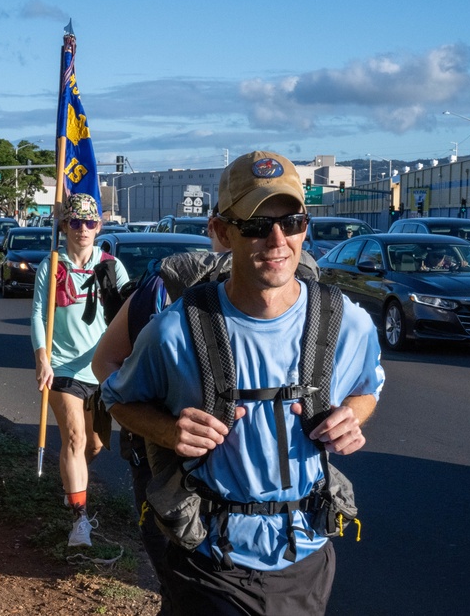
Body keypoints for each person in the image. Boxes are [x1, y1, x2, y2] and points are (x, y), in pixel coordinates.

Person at [100, 151, 384, 615]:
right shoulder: (176, 330)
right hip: (209, 559)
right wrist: (168, 431)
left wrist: (353, 416)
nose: (277, 239)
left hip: (307, 557)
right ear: (220, 231)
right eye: (255, 224)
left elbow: (368, 387)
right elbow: (117, 397)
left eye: (292, 222)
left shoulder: (345, 322)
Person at [31, 193, 130, 548]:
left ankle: (72, 483)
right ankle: (79, 519)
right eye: (75, 222)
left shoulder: (112, 267)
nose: (82, 229)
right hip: (62, 367)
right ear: (64, 226)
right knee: (75, 438)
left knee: (95, 444)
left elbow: (126, 316)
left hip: (101, 368)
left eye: (89, 222)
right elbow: (39, 314)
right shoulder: (51, 265)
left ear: (99, 227)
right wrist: (42, 358)